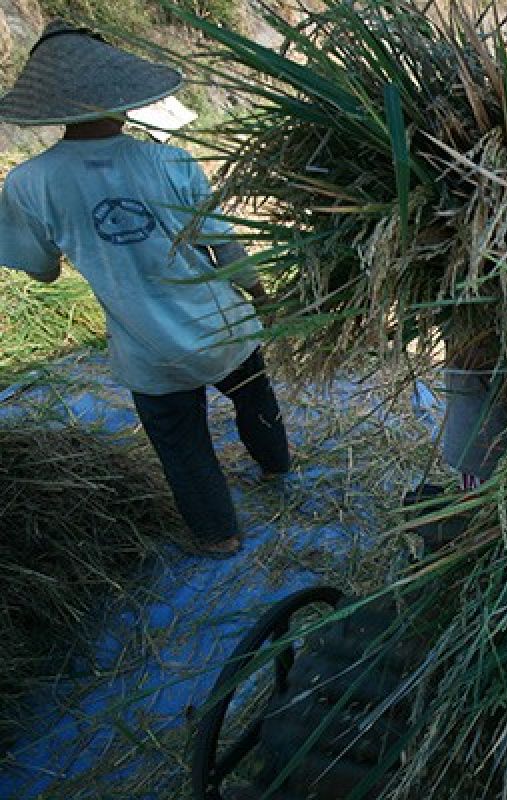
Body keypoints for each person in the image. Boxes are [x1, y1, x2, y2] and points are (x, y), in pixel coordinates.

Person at [0, 22, 290, 555]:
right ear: (123, 94)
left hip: (150, 350)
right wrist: (262, 295)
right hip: (220, 325)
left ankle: (219, 536)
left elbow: (40, 268)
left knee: (181, 442)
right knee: (254, 396)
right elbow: (222, 245)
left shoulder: (29, 183)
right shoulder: (169, 159)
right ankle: (278, 469)